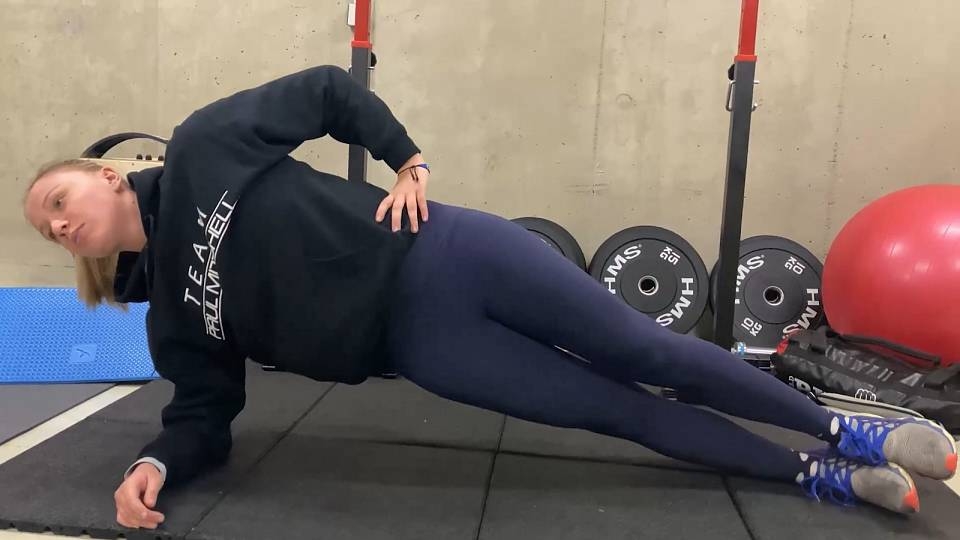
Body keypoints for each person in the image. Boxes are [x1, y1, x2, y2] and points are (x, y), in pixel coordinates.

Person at [22, 65, 956, 530]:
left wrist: (407, 161)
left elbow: (328, 92)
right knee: (616, 411)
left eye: (58, 202)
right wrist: (158, 461)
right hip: (423, 348)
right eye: (46, 229)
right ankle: (812, 476)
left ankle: (845, 431)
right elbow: (203, 413)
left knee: (648, 351)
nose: (59, 225)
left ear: (103, 176)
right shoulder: (173, 319)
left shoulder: (201, 149)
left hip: (448, 250)